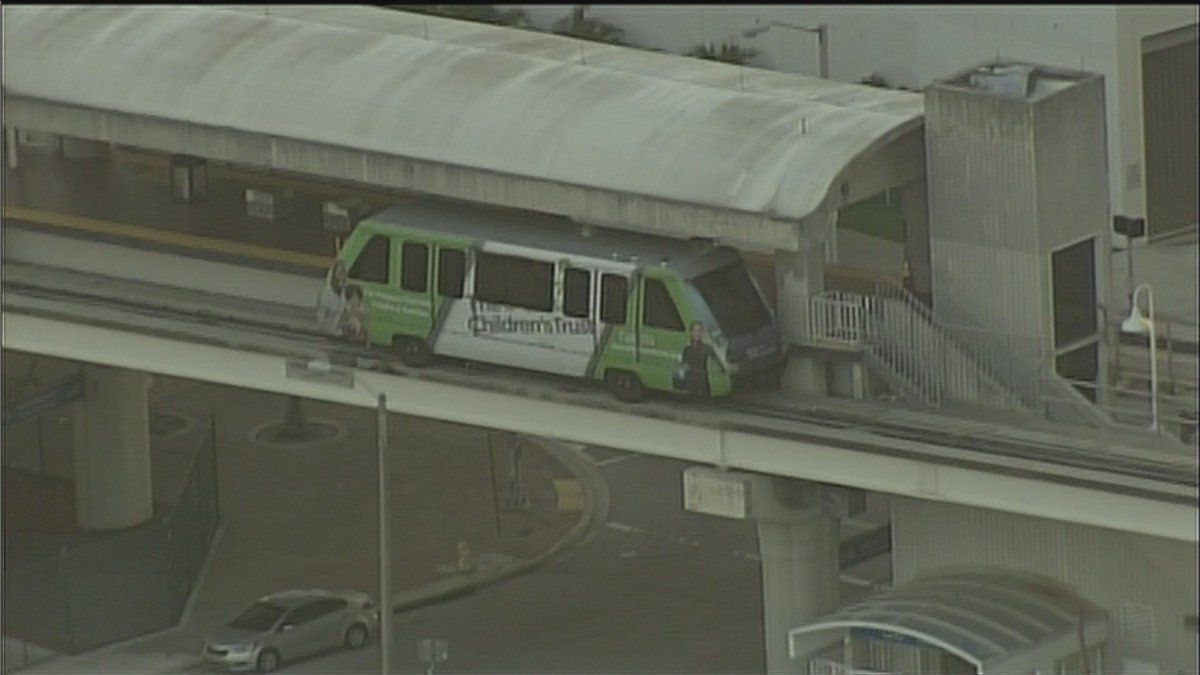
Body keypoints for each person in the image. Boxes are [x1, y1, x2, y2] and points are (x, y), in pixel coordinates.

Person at [681, 321, 717, 402]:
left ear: (702, 332)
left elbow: (716, 361)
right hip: (691, 383)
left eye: (699, 330)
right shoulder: (687, 348)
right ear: (691, 333)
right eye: (694, 331)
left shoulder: (707, 348)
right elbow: (683, 363)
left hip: (702, 383)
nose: (696, 333)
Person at [316, 260, 348, 336]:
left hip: (339, 331)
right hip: (328, 330)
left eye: (343, 272)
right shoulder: (327, 291)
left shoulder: (345, 291)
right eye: (339, 272)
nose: (341, 275)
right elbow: (321, 313)